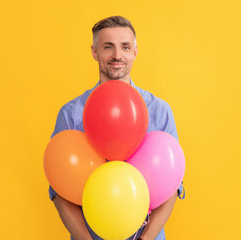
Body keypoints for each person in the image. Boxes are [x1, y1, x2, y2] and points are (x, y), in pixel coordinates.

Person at [48, 16, 185, 240]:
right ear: (94, 52)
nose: (117, 56)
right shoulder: (71, 114)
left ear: (135, 52)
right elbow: (59, 190)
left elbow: (173, 184)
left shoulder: (159, 111)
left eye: (125, 47)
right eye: (108, 47)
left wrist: (145, 238)